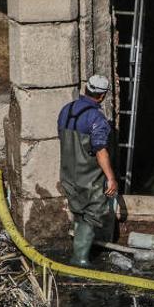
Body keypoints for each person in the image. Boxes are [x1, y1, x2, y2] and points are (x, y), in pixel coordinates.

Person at [57, 75, 118, 266]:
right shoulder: (97, 118)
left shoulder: (66, 110)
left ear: (86, 89)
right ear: (102, 96)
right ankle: (80, 259)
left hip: (68, 173)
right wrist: (110, 178)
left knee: (78, 211)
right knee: (92, 214)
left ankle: (78, 251)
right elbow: (100, 150)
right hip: (89, 176)